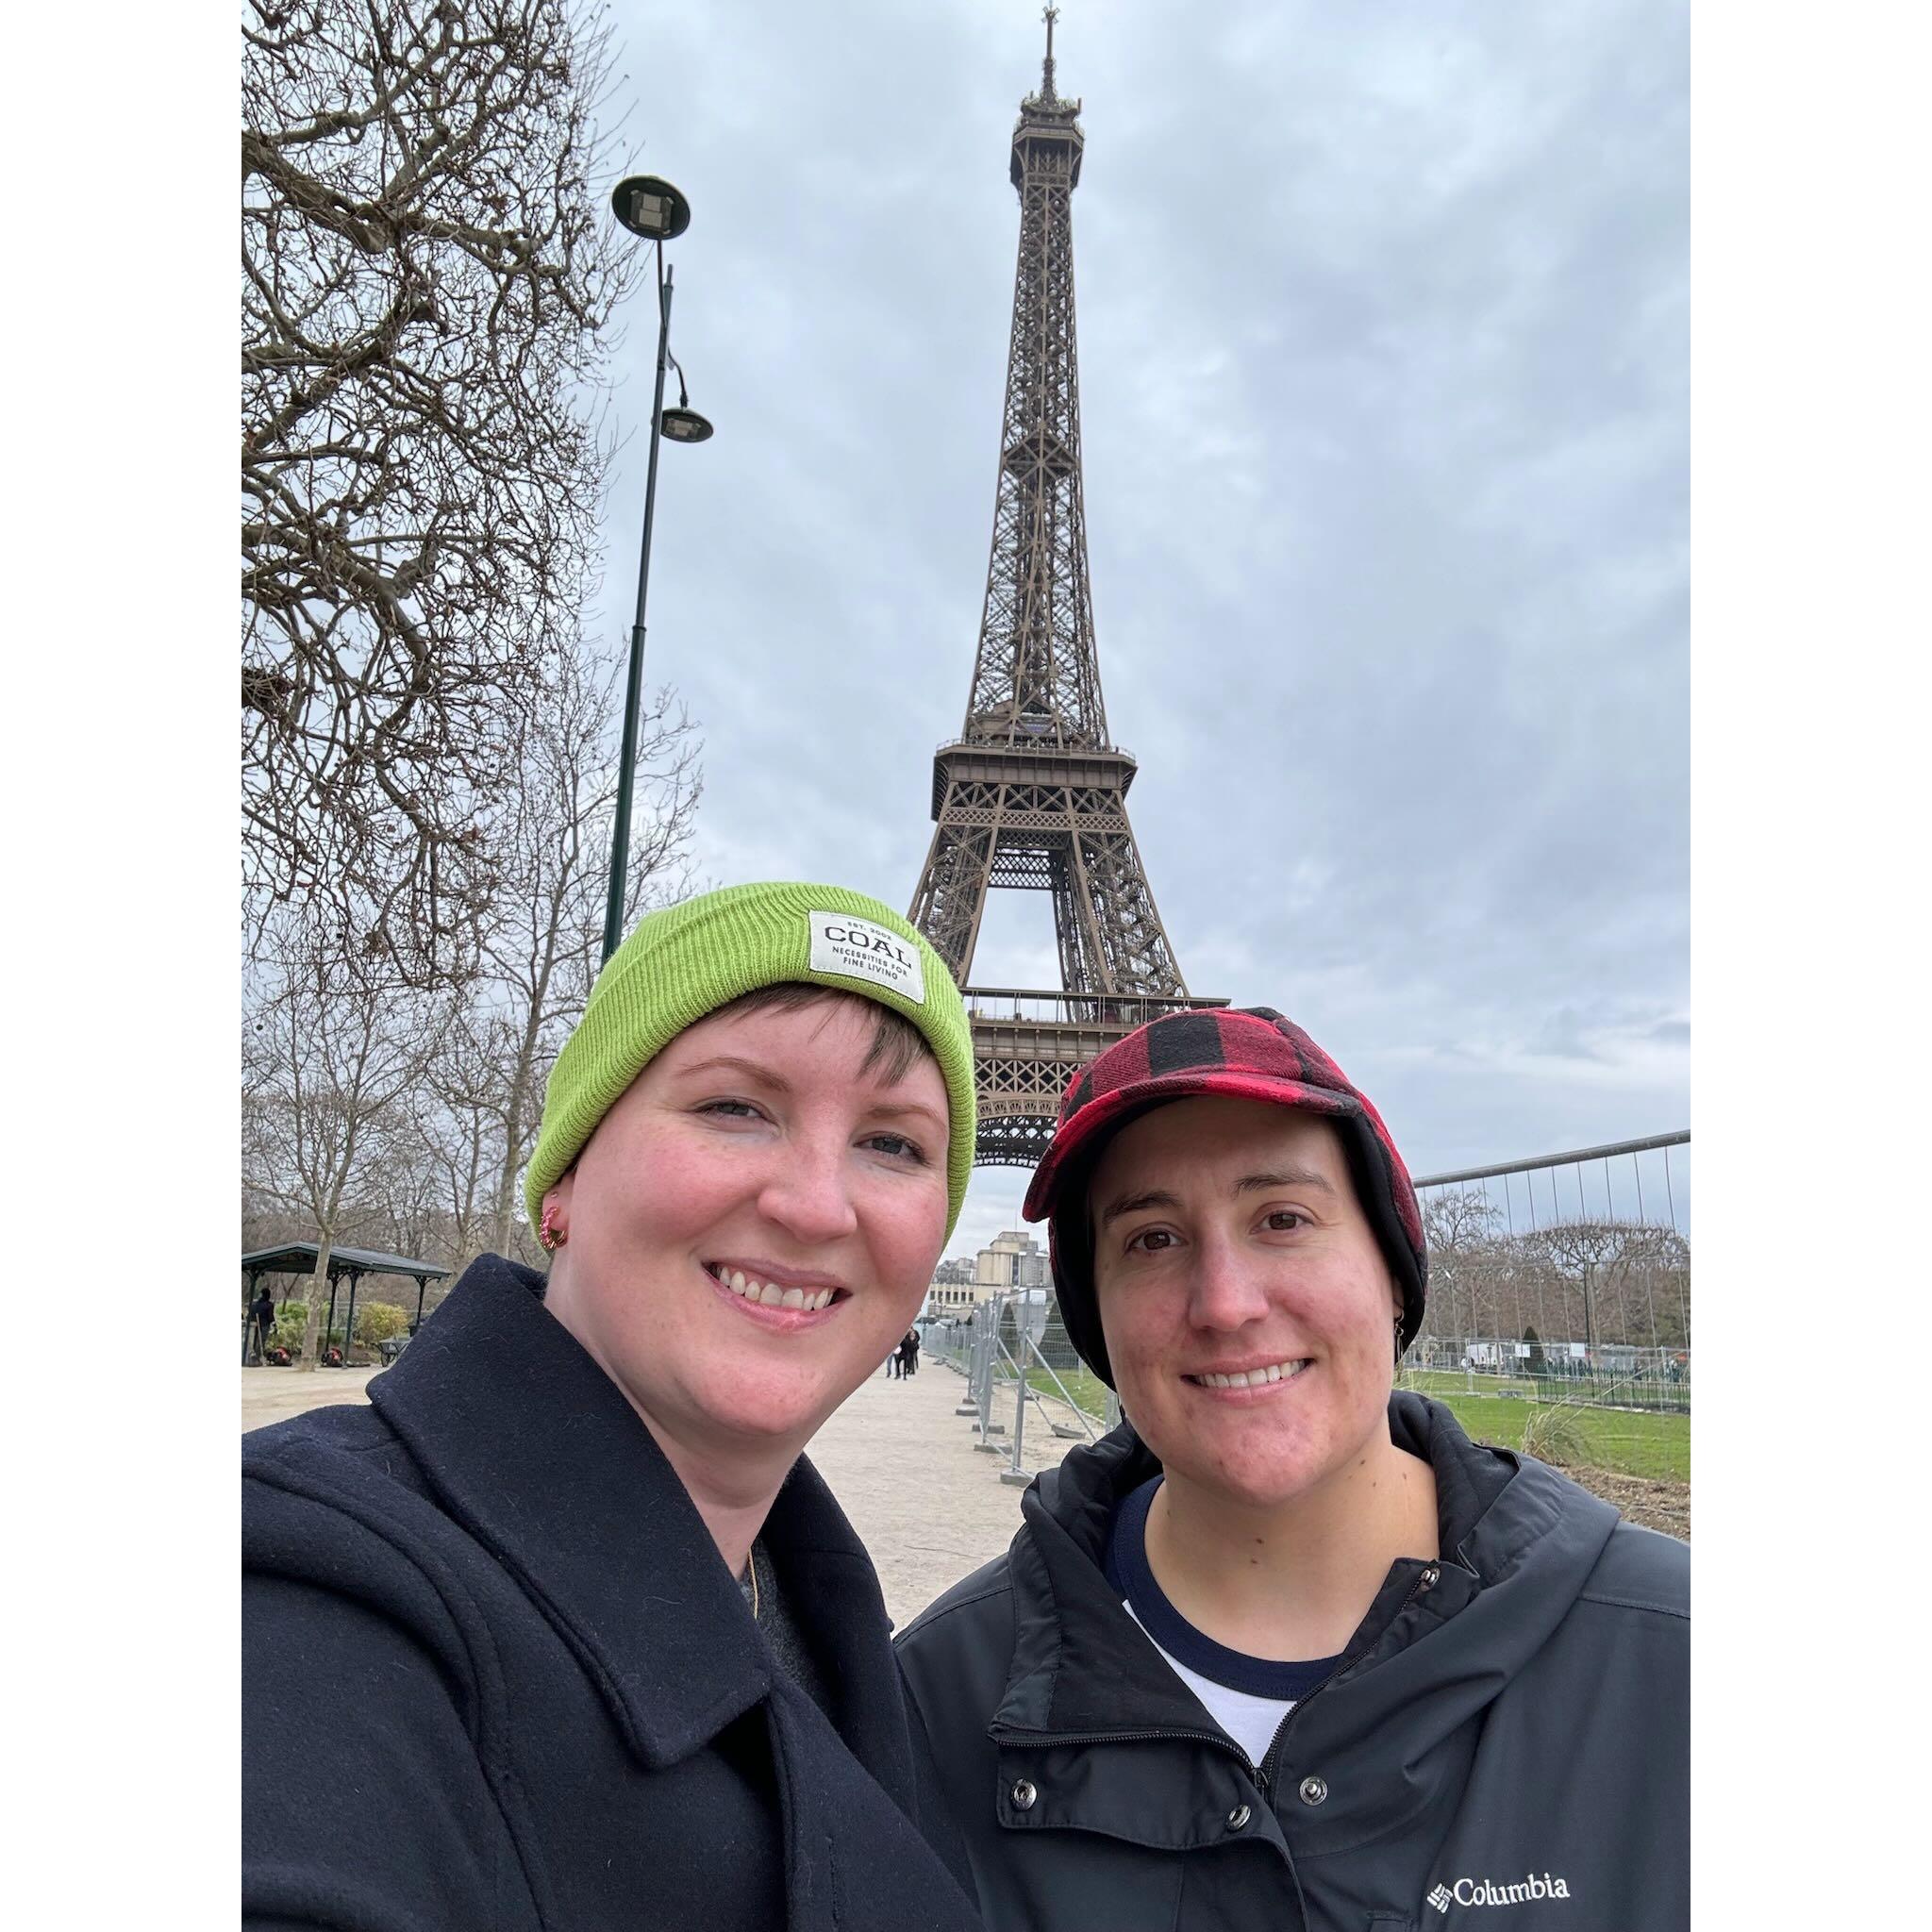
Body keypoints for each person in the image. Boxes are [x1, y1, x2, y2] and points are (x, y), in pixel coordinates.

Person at [244, 884, 986, 1932]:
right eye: (736, 1106)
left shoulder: (822, 1615)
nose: (817, 1203)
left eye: (894, 1143)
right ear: (563, 1182)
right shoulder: (313, 1583)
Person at [897, 1006, 1688, 1931]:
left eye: (1282, 1217)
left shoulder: (1687, 1655)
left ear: (1392, 1273)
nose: (1226, 1303)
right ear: (1096, 1318)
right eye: (1151, 1237)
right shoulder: (923, 1701)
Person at [249, 1286, 275, 1363]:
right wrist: (274, 1325)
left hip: (255, 1325)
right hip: (264, 1325)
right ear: (268, 1295)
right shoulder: (269, 1305)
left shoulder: (255, 1304)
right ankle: (258, 1357)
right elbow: (270, 1316)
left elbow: (251, 1314)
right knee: (261, 1342)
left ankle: (254, 1356)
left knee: (255, 1341)